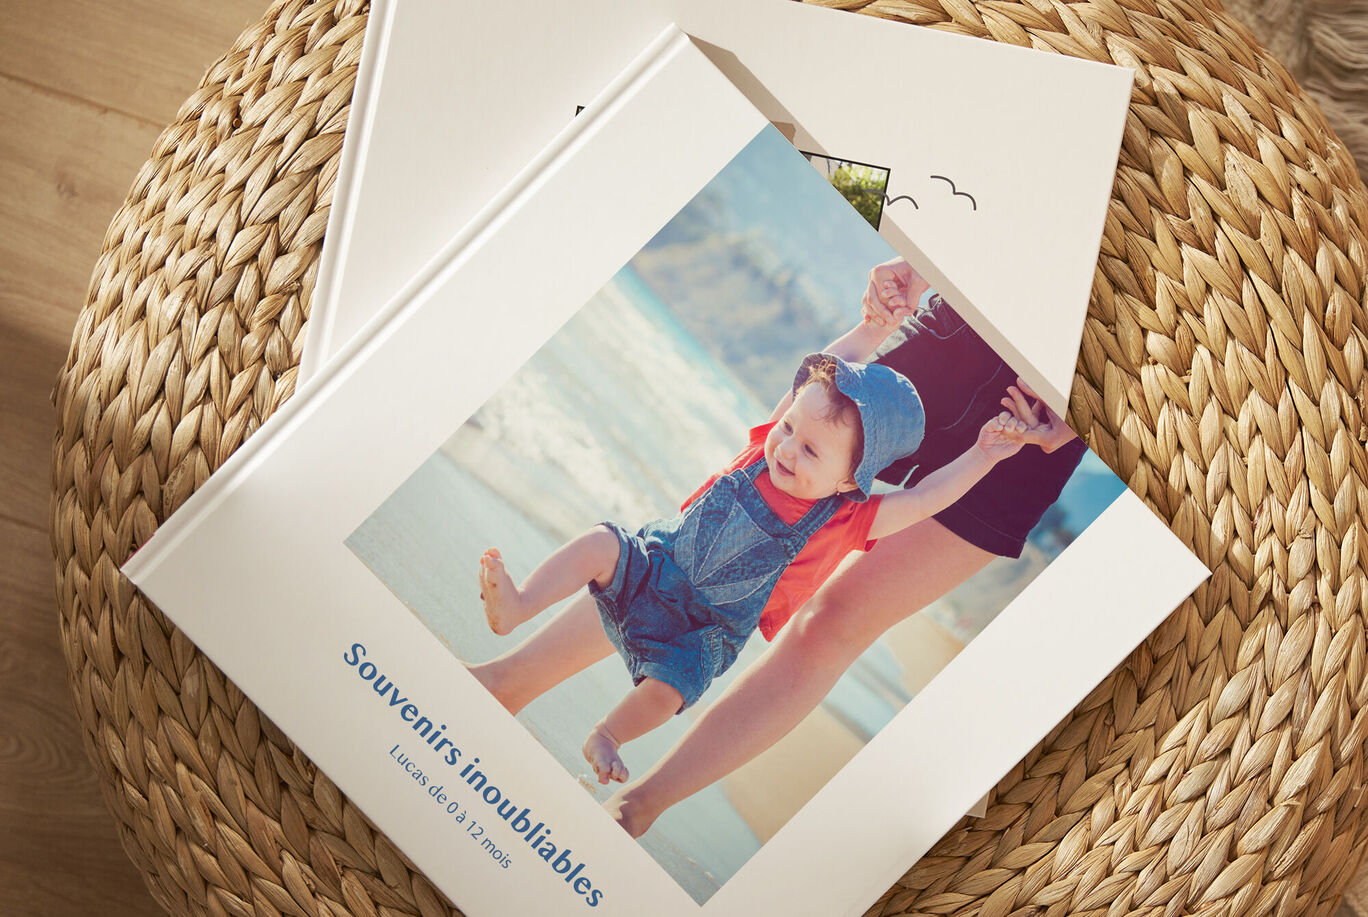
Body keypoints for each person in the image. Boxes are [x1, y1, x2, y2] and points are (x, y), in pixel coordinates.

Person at [597, 257, 1085, 836]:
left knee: (831, 625)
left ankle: (639, 807)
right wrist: (922, 254)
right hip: (957, 341)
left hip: (1036, 427)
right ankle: (512, 683)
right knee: (702, 544)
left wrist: (1089, 410)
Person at [471, 303, 1031, 786]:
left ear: (850, 480)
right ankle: (519, 605)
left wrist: (984, 454)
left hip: (701, 633)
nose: (787, 449)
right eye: (789, 429)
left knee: (669, 691)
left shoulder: (848, 519)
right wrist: (870, 330)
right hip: (654, 569)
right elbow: (814, 376)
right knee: (600, 543)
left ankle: (608, 735)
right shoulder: (768, 444)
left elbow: (927, 498)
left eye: (811, 452)